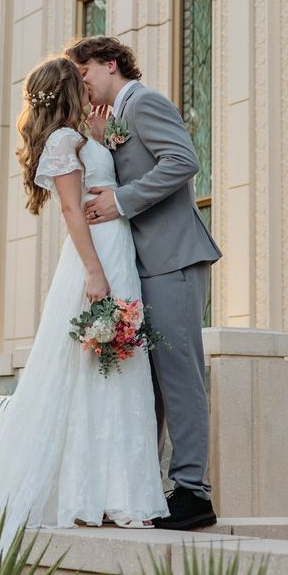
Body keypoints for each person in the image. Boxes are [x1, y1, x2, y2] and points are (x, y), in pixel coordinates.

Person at [0, 56, 167, 575]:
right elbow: (73, 211)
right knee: (96, 371)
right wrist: (95, 274)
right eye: (81, 79)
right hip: (96, 258)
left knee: (117, 371)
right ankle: (97, 496)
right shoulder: (62, 143)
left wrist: (99, 133)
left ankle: (118, 494)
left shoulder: (79, 136)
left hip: (116, 253)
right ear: (69, 88)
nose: (89, 82)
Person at [65, 36, 222, 531]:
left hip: (174, 260)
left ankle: (193, 493)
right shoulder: (114, 116)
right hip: (145, 266)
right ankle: (145, 490)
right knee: (148, 382)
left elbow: (183, 160)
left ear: (111, 63)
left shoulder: (146, 101)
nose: (82, 81)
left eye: (85, 70)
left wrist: (120, 200)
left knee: (180, 376)